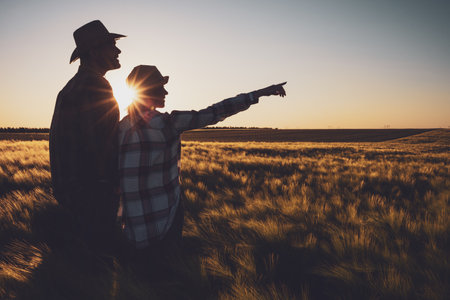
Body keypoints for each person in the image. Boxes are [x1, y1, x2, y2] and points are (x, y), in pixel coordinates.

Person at [118, 65, 286, 255]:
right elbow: (215, 112)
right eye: (160, 87)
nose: (166, 91)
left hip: (132, 227)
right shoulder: (167, 124)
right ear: (146, 91)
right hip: (163, 221)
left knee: (142, 277)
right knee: (167, 275)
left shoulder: (121, 128)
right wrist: (259, 94)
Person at [49, 20, 125, 251]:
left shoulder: (70, 88)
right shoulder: (96, 86)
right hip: (94, 195)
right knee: (100, 266)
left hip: (73, 195)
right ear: (93, 52)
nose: (118, 50)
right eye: (111, 45)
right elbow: (102, 146)